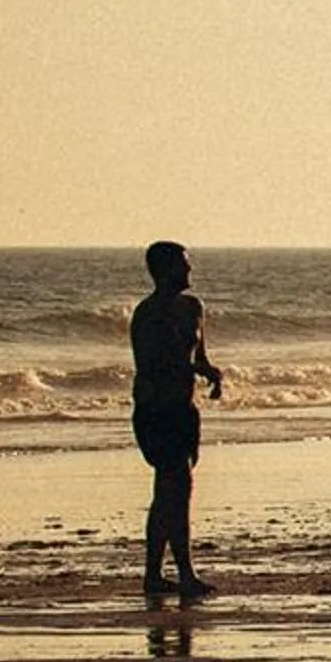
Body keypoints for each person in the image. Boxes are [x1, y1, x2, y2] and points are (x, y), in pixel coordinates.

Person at [131, 241, 225, 600]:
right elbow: (153, 365)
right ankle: (185, 573)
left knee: (167, 493)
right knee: (178, 487)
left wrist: (211, 373)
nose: (189, 270)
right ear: (164, 270)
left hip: (185, 408)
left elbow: (197, 356)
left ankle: (153, 575)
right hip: (156, 410)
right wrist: (187, 369)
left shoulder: (193, 308)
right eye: (182, 265)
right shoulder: (147, 314)